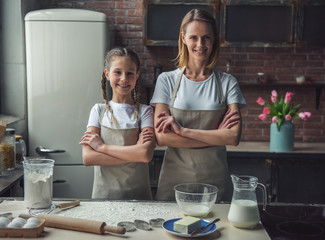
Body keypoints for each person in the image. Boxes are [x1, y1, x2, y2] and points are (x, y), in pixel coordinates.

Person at [150, 9, 246, 202]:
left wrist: (182, 131)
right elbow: (162, 137)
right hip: (174, 182)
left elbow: (233, 137)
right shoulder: (166, 81)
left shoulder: (228, 83)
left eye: (206, 37)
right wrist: (217, 136)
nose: (200, 44)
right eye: (194, 37)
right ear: (183, 38)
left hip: (215, 182)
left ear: (214, 40)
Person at [80, 47, 156, 200]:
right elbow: (88, 158)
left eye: (130, 73)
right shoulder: (98, 111)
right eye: (117, 72)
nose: (124, 79)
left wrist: (102, 148)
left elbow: (146, 154)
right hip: (104, 195)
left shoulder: (146, 112)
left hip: (139, 195)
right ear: (107, 74)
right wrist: (135, 153)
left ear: (137, 76)